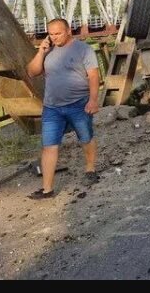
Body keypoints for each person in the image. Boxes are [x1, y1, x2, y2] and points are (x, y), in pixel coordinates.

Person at [25, 18, 101, 199]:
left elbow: (93, 76)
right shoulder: (48, 50)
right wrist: (41, 52)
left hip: (79, 104)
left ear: (68, 31)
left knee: (85, 137)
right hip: (52, 107)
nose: (54, 37)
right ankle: (47, 189)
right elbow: (31, 72)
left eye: (58, 33)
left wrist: (93, 100)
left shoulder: (84, 49)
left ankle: (90, 169)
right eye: (51, 34)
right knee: (49, 146)